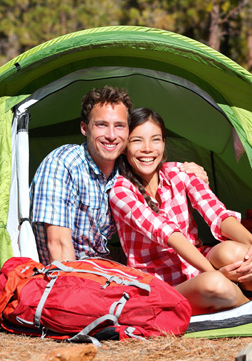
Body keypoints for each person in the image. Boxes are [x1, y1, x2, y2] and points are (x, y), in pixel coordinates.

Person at [109, 108, 252, 315]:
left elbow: (216, 212)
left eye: (156, 140)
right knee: (215, 283)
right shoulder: (120, 190)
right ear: (124, 147)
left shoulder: (180, 172)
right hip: (159, 285)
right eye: (137, 141)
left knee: (240, 253)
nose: (148, 148)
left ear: (164, 143)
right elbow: (167, 233)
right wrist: (214, 272)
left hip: (194, 264)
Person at [31, 86, 207, 265]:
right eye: (102, 125)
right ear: (84, 128)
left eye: (119, 126)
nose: (111, 135)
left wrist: (193, 175)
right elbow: (59, 248)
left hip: (103, 270)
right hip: (69, 276)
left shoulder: (123, 174)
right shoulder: (64, 163)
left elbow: (158, 213)